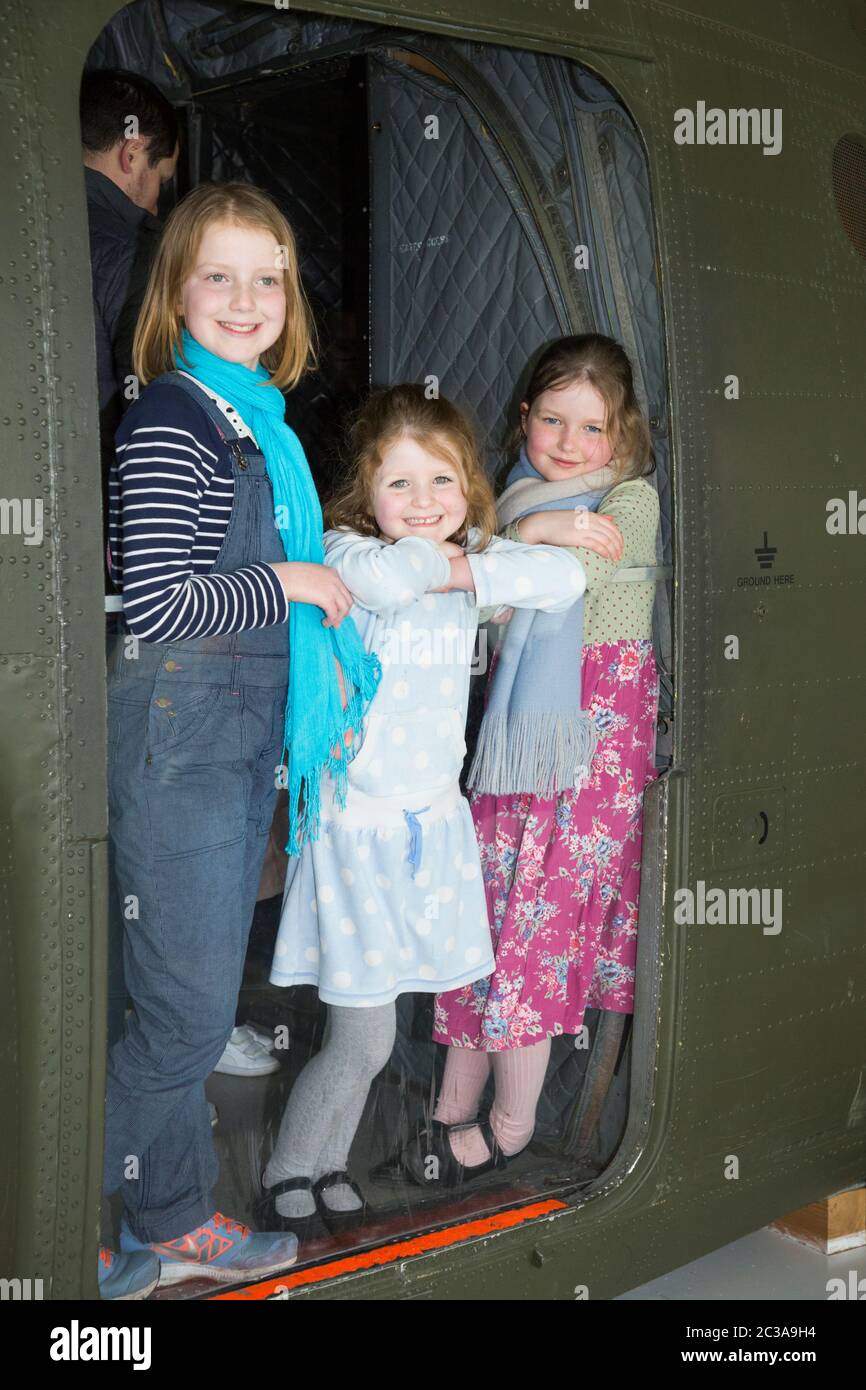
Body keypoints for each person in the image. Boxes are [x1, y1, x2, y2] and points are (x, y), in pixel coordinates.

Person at [100, 181, 381, 1295]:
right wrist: (295, 579)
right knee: (181, 1015)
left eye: (267, 276)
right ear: (174, 288)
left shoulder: (246, 414)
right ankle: (141, 1218)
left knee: (186, 1006)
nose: (246, 296)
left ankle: (151, 1218)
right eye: (217, 273)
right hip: (183, 746)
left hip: (214, 743)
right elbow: (159, 601)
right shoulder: (177, 414)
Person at [258, 383, 591, 1238]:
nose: (421, 504)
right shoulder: (346, 553)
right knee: (363, 1037)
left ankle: (327, 1164)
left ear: (469, 485)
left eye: (441, 482)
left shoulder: (452, 562)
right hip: (356, 835)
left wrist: (492, 548)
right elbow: (388, 578)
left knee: (378, 1028)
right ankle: (289, 1169)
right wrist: (467, 555)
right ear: (364, 493)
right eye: (399, 484)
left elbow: (565, 576)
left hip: (424, 832)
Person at [388, 334, 661, 1186]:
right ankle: (450, 1108)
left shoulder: (632, 501)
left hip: (589, 743)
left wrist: (512, 532)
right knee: (485, 914)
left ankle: (510, 1126)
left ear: (622, 436)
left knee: (537, 928)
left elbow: (556, 575)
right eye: (553, 419)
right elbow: (501, 568)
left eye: (592, 426)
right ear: (525, 419)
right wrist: (523, 519)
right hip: (519, 744)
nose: (570, 441)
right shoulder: (516, 500)